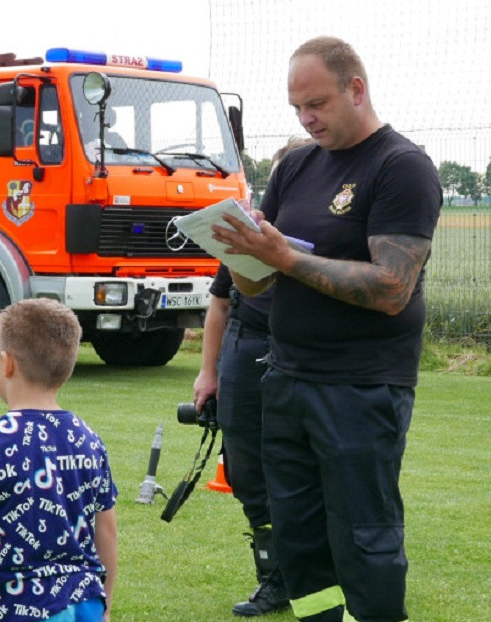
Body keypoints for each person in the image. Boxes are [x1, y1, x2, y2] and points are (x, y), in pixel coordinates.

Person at [211, 36, 442, 622]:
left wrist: (284, 258)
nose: (305, 118)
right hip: (286, 379)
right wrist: (245, 251)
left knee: (366, 539)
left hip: (362, 388)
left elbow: (392, 288)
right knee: (300, 541)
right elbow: (263, 284)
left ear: (356, 90)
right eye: (296, 109)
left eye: (316, 104)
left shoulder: (401, 166)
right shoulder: (296, 165)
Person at [193, 137, 313, 618]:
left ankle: (310, 574)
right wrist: (209, 373)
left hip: (299, 353)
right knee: (244, 469)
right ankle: (273, 579)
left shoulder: (319, 242)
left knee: (300, 471)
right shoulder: (249, 237)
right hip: (245, 350)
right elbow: (220, 304)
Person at [0, 298, 118, 622]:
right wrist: (104, 607)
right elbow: (106, 531)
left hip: (20, 609)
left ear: (7, 364)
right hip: (86, 605)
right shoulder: (88, 438)